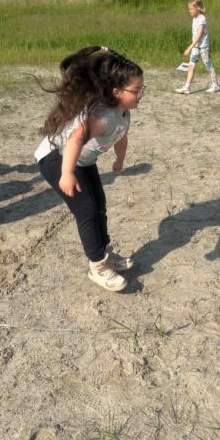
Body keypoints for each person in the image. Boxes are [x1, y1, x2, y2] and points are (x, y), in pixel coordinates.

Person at [34, 46, 144, 292]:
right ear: (117, 92)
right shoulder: (102, 115)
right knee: (86, 210)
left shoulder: (123, 113)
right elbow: (75, 139)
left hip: (82, 162)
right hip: (56, 158)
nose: (140, 95)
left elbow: (122, 136)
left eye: (142, 89)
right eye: (136, 90)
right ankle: (98, 266)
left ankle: (105, 253)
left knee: (99, 205)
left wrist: (119, 160)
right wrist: (67, 174)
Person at [175, 0, 220, 94]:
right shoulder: (194, 19)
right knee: (191, 66)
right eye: (189, 9)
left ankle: (215, 85)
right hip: (196, 48)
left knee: (208, 65)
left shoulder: (202, 19)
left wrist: (189, 48)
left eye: (191, 9)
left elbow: (199, 36)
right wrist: (193, 47)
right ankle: (187, 87)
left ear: (198, 8)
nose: (189, 11)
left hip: (203, 48)